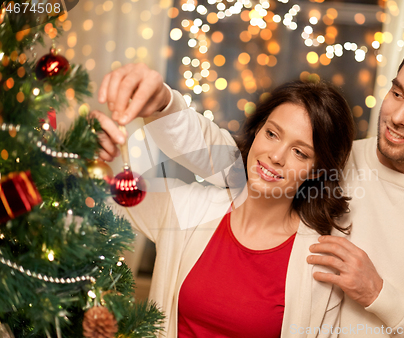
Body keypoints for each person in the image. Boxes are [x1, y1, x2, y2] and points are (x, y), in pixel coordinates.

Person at [97, 39, 404, 337]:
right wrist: (164, 103)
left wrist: (381, 296)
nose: (398, 116)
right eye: (397, 93)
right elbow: (229, 157)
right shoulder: (336, 158)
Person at [94, 78, 356, 337]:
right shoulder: (190, 209)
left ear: (316, 172)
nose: (276, 156)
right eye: (272, 134)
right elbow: (99, 200)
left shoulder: (318, 265)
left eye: (300, 152)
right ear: (257, 132)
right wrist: (90, 151)